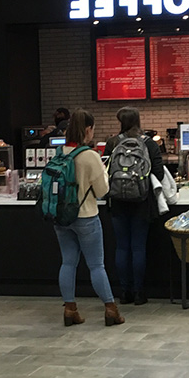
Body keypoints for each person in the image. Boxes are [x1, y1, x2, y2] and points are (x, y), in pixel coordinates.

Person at [53, 109, 124, 327]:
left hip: (61, 217)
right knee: (96, 265)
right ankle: (110, 309)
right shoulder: (90, 156)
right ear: (88, 130)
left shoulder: (59, 152)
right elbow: (102, 190)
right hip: (86, 216)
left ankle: (70, 309)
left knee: (68, 262)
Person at [104, 107, 165, 306]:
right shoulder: (149, 143)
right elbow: (159, 173)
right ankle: (139, 293)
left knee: (122, 247)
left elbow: (106, 173)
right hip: (142, 203)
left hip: (117, 204)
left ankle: (124, 292)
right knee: (138, 248)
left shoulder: (113, 143)